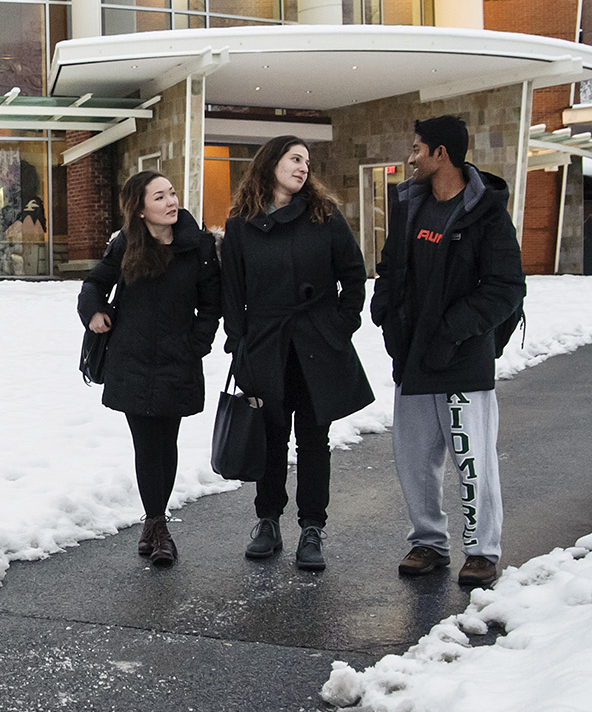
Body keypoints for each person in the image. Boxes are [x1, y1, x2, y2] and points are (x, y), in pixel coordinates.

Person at [369, 115, 525, 590]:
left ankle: (480, 551)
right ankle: (429, 543)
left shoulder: (486, 212)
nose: (410, 157)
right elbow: (394, 263)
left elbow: (505, 288)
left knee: (471, 459)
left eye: (417, 148)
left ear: (442, 155)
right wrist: (385, 305)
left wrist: (451, 331)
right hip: (412, 360)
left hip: (461, 361)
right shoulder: (409, 204)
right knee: (414, 459)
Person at [219, 138, 373, 571]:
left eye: (307, 161)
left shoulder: (324, 215)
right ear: (270, 164)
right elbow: (232, 294)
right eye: (295, 159)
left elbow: (353, 274)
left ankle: (312, 528)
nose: (304, 167)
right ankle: (267, 521)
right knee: (269, 437)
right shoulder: (240, 225)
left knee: (313, 439)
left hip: (317, 342)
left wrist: (342, 325)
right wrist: (240, 343)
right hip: (266, 343)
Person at [78, 170, 222, 567]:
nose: (171, 202)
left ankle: (154, 523)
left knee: (166, 441)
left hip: (178, 359)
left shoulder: (199, 246)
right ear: (140, 210)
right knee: (146, 444)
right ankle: (157, 524)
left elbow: (212, 304)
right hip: (132, 359)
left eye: (172, 194)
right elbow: (93, 285)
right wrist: (94, 314)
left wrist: (197, 344)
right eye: (159, 197)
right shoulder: (125, 244)